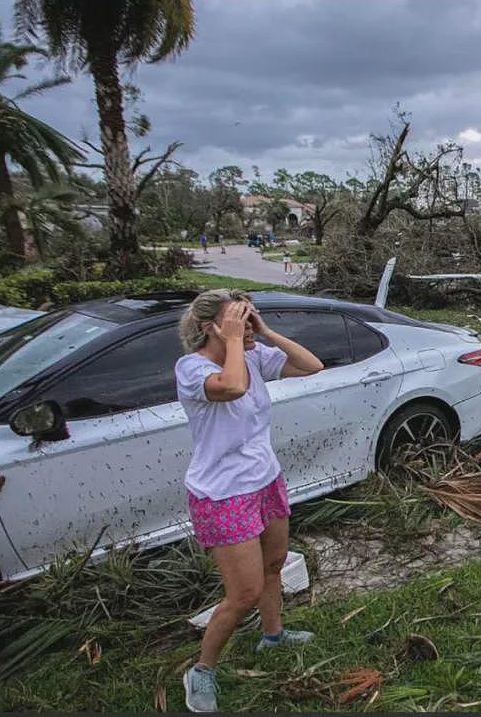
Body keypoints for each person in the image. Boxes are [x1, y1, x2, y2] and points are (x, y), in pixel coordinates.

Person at [175, 290, 324, 712]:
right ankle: (201, 671)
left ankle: (272, 636)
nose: (246, 323)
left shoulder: (254, 356)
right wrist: (237, 341)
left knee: (275, 565)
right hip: (222, 494)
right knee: (243, 593)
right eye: (237, 318)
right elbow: (233, 387)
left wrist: (265, 331)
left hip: (265, 480)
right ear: (210, 328)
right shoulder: (192, 368)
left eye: (248, 316)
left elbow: (312, 365)